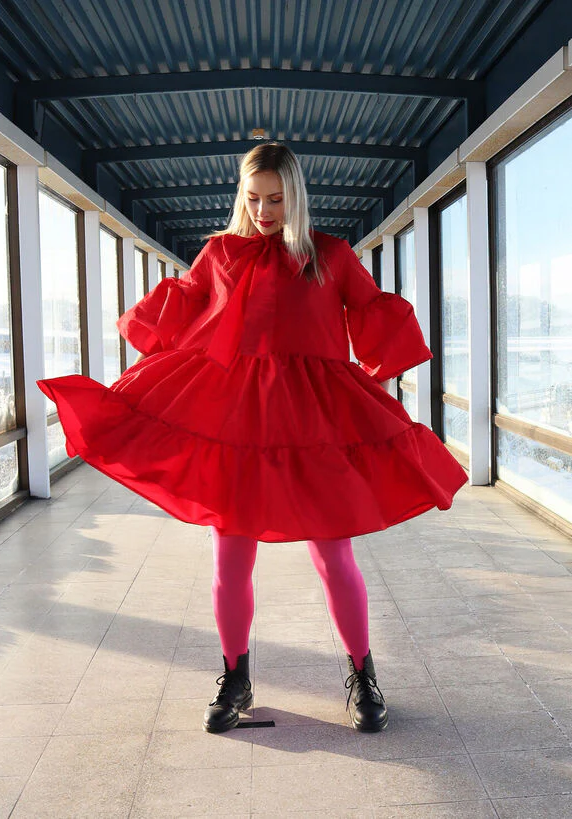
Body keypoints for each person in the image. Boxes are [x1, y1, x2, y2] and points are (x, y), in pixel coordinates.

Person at [37, 142, 468, 735]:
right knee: (231, 556)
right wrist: (151, 317)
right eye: (254, 199)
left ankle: (363, 674)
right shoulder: (220, 253)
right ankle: (235, 678)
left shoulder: (330, 255)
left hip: (315, 422)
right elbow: (186, 307)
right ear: (241, 197)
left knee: (334, 555)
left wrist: (384, 353)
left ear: (296, 195)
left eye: (276, 198)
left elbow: (370, 312)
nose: (264, 211)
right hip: (238, 422)